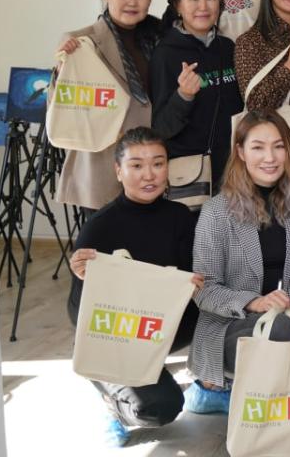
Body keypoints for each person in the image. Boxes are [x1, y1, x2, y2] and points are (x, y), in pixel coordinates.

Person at [66, 127, 202, 447]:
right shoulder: (99, 226)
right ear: (118, 170)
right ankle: (111, 401)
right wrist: (83, 276)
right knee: (160, 406)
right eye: (136, 165)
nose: (149, 175)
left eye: (158, 163)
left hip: (161, 329)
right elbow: (79, 309)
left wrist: (195, 282)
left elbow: (190, 276)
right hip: (116, 336)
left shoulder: (181, 217)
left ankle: (208, 384)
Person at [184, 110, 290, 414]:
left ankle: (248, 395)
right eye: (258, 147)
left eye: (278, 146)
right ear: (240, 152)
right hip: (231, 325)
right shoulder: (216, 211)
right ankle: (228, 392)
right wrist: (255, 303)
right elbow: (204, 289)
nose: (270, 157)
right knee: (279, 330)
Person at [56, 0, 161, 212]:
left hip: (150, 163)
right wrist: (62, 68)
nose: (132, 2)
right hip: (103, 162)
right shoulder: (81, 41)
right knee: (103, 245)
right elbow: (63, 104)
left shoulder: (161, 35)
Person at [151, 0, 243, 186]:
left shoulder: (228, 48)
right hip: (191, 177)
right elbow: (161, 128)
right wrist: (183, 95)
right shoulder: (165, 54)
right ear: (178, 6)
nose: (203, 7)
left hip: (235, 171)